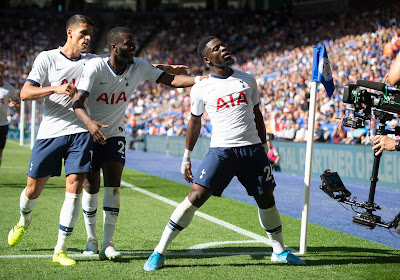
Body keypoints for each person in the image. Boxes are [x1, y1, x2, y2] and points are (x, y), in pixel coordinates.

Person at [143, 36, 305, 272]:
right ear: (207, 59)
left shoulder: (248, 80)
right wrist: (187, 156)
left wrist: (264, 144)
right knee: (195, 197)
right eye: (216, 48)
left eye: (223, 45)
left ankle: (279, 251)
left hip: (252, 150)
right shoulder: (200, 87)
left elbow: (257, 114)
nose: (224, 49)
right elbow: (194, 123)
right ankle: (159, 251)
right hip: (222, 151)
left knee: (266, 199)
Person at [72, 26, 200, 261]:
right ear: (114, 47)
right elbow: (77, 102)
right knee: (91, 186)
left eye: (134, 44)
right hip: (88, 130)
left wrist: (200, 79)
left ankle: (107, 244)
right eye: (128, 44)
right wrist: (91, 124)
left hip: (115, 133)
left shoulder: (139, 66)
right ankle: (91, 240)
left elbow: (170, 80)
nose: (133, 48)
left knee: (114, 184)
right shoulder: (95, 67)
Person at [7, 14, 96, 266]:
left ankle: (60, 249)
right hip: (50, 133)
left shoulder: (92, 61)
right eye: (83, 33)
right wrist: (54, 88)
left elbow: (124, 63)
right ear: (70, 33)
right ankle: (24, 220)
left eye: (90, 34)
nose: (88, 38)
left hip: (80, 131)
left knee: (75, 187)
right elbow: (25, 93)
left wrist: (162, 70)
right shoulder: (47, 58)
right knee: (33, 190)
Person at [0, 61, 18, 167]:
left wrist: (14, 103)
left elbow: (16, 101)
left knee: (0, 153)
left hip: (2, 125)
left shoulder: (9, 88)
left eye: (1, 71)